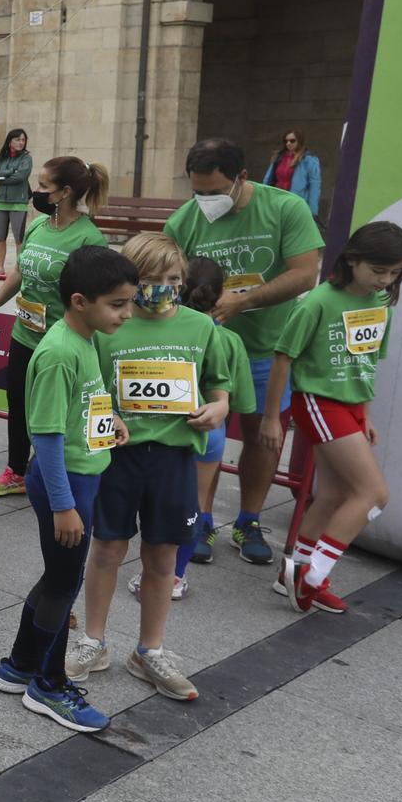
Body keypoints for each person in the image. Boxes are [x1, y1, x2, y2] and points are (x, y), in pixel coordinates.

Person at [63, 234, 232, 703]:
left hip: (176, 458)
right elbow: (90, 386)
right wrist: (105, 410)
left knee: (162, 558)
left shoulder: (201, 328)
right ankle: (92, 641)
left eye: (173, 279)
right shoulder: (110, 327)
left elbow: (220, 386)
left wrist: (218, 409)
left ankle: (149, 650)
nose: (164, 288)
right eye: (153, 280)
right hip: (118, 457)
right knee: (107, 550)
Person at [0, 245, 138, 734]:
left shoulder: (84, 338)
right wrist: (64, 506)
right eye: (117, 304)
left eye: (128, 302)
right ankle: (48, 686)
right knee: (64, 583)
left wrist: (107, 417)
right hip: (65, 483)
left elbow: (79, 405)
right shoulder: (58, 352)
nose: (127, 313)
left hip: (80, 476)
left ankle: (18, 666)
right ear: (80, 300)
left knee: (57, 577)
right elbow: (48, 436)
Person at [162, 138, 323, 564]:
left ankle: (249, 520)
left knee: (263, 435)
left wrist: (242, 302)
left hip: (268, 349)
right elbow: (164, 275)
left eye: (214, 192)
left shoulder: (286, 208)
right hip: (205, 353)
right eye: (197, 192)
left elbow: (306, 274)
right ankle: (202, 520)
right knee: (205, 435)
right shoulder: (184, 221)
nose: (205, 201)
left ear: (242, 179)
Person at [261, 221, 402, 614]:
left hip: (349, 407)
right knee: (374, 494)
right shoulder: (318, 301)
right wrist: (272, 418)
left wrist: (364, 416)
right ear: (352, 259)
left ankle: (290, 575)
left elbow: (365, 363)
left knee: (332, 495)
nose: (386, 279)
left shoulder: (380, 304)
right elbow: (283, 357)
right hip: (318, 402)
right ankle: (313, 578)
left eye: (395, 273)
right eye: (379, 270)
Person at [0, 156, 112, 498]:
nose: (36, 191)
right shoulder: (38, 225)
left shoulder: (89, 238)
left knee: (55, 413)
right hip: (25, 333)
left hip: (61, 345)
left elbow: (94, 297)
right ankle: (16, 471)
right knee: (18, 402)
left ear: (65, 192)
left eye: (44, 187)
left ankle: (57, 474)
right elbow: (19, 273)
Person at [177, 257, 255, 576]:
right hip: (211, 431)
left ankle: (165, 562)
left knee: (165, 503)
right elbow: (245, 401)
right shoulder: (231, 341)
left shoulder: (171, 332)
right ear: (220, 295)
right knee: (193, 505)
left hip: (171, 429)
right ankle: (186, 559)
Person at [0, 128, 33, 277]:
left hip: (18, 202)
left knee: (19, 238)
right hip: (1, 201)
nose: (21, 143)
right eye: (17, 139)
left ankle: (19, 268)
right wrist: (8, 172)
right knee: (0, 237)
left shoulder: (26, 158)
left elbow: (21, 177)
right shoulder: (3, 157)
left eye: (23, 140)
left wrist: (1, 177)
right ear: (10, 141)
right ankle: (0, 267)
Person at [266, 129, 322, 217]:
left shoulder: (309, 160)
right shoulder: (278, 157)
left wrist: (312, 211)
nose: (288, 143)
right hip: (276, 201)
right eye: (286, 141)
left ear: (299, 141)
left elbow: (314, 185)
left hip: (296, 204)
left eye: (292, 141)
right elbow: (268, 180)